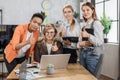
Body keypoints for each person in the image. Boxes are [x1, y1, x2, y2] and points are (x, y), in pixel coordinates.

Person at [77, 2, 104, 75]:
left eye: (87, 10)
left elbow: (100, 42)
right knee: (84, 76)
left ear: (92, 10)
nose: (85, 12)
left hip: (93, 54)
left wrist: (88, 35)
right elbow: (79, 41)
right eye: (83, 10)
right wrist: (80, 44)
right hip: (83, 53)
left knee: (92, 77)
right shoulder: (83, 25)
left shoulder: (96, 23)